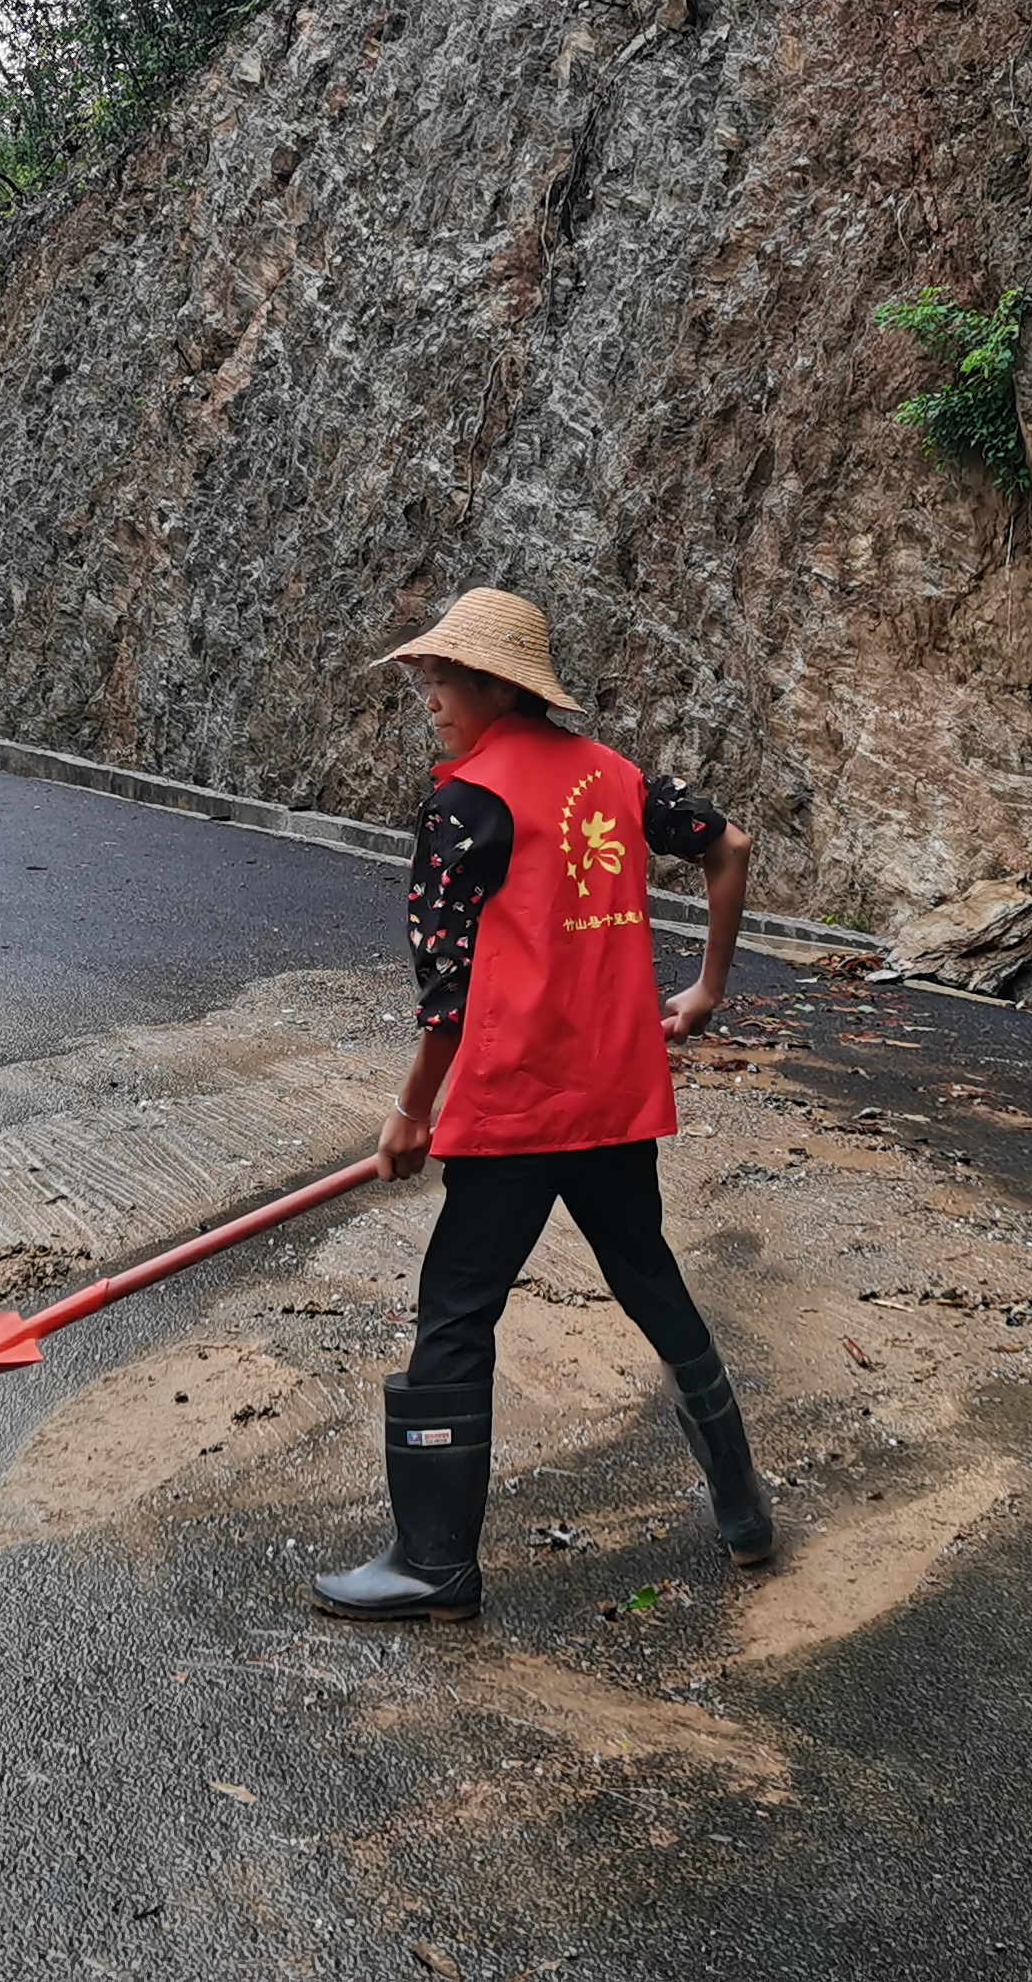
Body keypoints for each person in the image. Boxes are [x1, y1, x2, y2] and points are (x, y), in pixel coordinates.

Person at [311, 589, 772, 1623]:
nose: (425, 694)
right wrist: (704, 988)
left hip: (519, 1105)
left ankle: (433, 1565)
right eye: (422, 676)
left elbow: (449, 993)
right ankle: (742, 1511)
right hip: (612, 1096)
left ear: (492, 685)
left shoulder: (463, 805)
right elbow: (728, 845)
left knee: (455, 1314)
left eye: (439, 677)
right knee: (650, 1281)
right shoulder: (614, 778)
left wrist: (408, 1113)